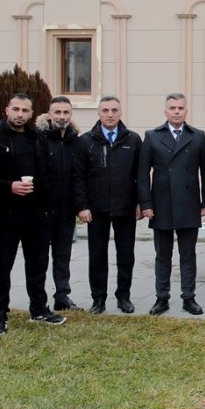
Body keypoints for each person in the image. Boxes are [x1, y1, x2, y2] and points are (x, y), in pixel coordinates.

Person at [0, 93, 65, 331]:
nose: (20, 114)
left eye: (25, 110)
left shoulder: (37, 137)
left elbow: (49, 174)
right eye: (16, 109)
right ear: (7, 110)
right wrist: (9, 186)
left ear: (32, 113)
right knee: (1, 266)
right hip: (3, 214)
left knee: (38, 264)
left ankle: (39, 309)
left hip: (36, 215)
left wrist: (48, 207)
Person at [138, 92, 205, 316]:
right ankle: (162, 298)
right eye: (172, 108)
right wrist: (145, 203)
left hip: (189, 202)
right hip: (161, 203)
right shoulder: (152, 136)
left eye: (181, 108)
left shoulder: (198, 136)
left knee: (188, 253)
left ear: (186, 111)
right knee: (163, 254)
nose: (177, 111)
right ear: (166, 111)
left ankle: (188, 297)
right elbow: (143, 173)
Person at [73, 95, 141, 314]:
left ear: (120, 113)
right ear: (99, 113)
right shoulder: (86, 141)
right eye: (105, 110)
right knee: (97, 256)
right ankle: (98, 299)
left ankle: (124, 296)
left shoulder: (132, 140)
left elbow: (141, 175)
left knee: (125, 255)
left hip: (125, 208)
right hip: (96, 209)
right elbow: (79, 176)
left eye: (114, 110)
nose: (110, 115)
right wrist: (82, 206)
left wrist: (141, 202)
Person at [39, 95, 82, 312]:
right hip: (43, 211)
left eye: (66, 112)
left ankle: (62, 296)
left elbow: (80, 176)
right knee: (39, 258)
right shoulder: (39, 139)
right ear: (49, 114)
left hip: (67, 211)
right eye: (57, 112)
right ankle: (38, 299)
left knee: (62, 256)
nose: (62, 117)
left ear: (71, 115)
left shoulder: (77, 141)